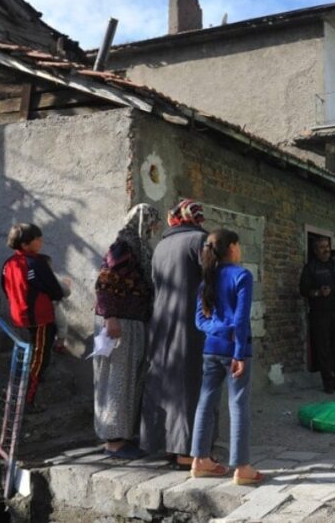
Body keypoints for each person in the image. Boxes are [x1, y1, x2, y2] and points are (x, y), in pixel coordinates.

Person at [190, 229, 264, 485]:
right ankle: (242, 468)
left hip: (211, 349)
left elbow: (200, 321)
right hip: (236, 351)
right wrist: (239, 350)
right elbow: (241, 319)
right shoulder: (242, 275)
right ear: (232, 247)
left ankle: (200, 460)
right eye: (239, 245)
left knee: (205, 403)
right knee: (238, 406)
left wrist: (220, 330)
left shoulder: (206, 280)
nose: (240, 250)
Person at [140, 199, 208, 469]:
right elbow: (212, 281)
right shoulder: (200, 241)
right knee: (189, 384)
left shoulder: (161, 246)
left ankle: (165, 444)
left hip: (161, 324)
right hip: (190, 323)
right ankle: (187, 452)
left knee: (163, 383)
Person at [93, 204, 160, 460]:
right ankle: (114, 442)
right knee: (117, 381)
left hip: (132, 321)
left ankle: (121, 437)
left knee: (129, 380)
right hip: (118, 322)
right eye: (152, 223)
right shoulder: (123, 248)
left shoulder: (138, 249)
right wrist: (110, 316)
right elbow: (105, 282)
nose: (154, 229)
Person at [1, 223, 67, 409]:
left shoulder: (8, 264)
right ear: (25, 245)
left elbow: (5, 288)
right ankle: (26, 400)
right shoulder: (36, 263)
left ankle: (20, 393)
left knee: (33, 354)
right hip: (40, 317)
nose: (41, 242)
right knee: (39, 358)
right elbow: (54, 289)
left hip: (20, 317)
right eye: (37, 239)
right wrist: (58, 295)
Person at [299, 237, 335, 394]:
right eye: (322, 247)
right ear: (316, 250)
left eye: (327, 246)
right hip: (320, 314)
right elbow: (303, 290)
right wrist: (318, 293)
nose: (326, 249)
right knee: (324, 349)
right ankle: (328, 383)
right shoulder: (311, 268)